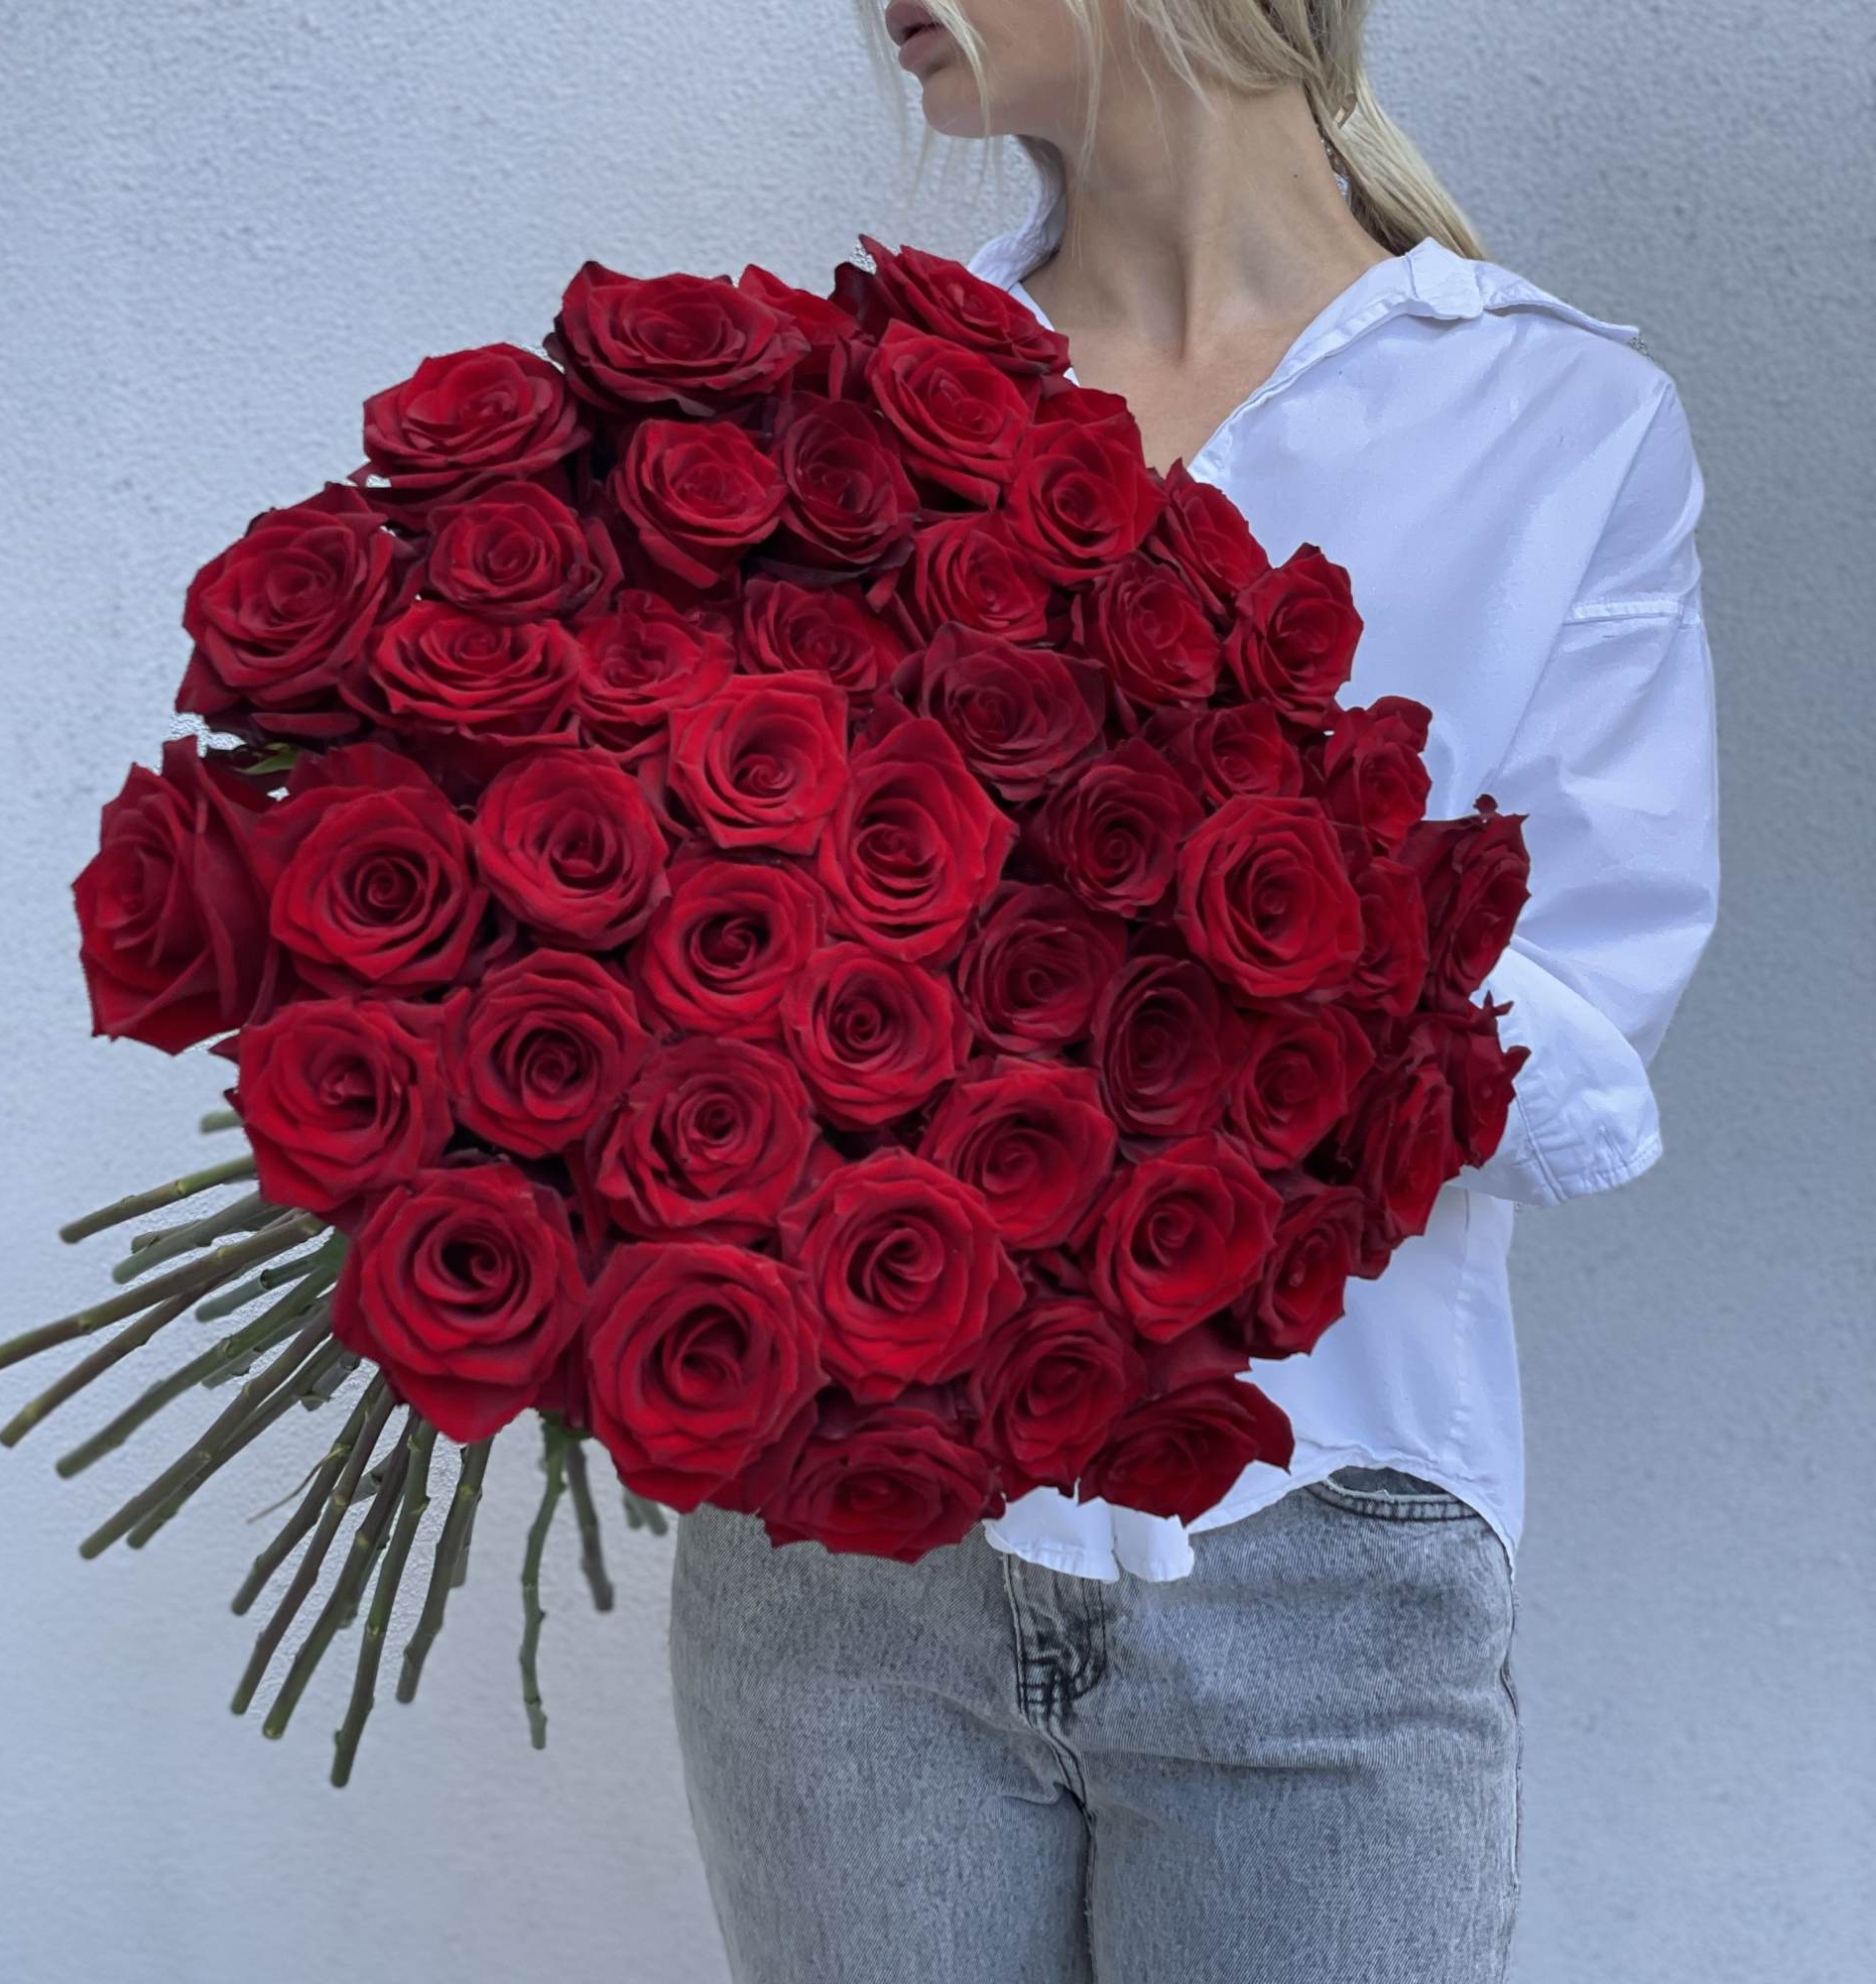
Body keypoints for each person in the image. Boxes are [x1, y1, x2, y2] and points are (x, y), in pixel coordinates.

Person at [668, 3, 1722, 1979]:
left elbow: (1583, 1069)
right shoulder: (840, 418)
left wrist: (1200, 884)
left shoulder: (1558, 422)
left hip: (1322, 1561)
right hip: (842, 1551)